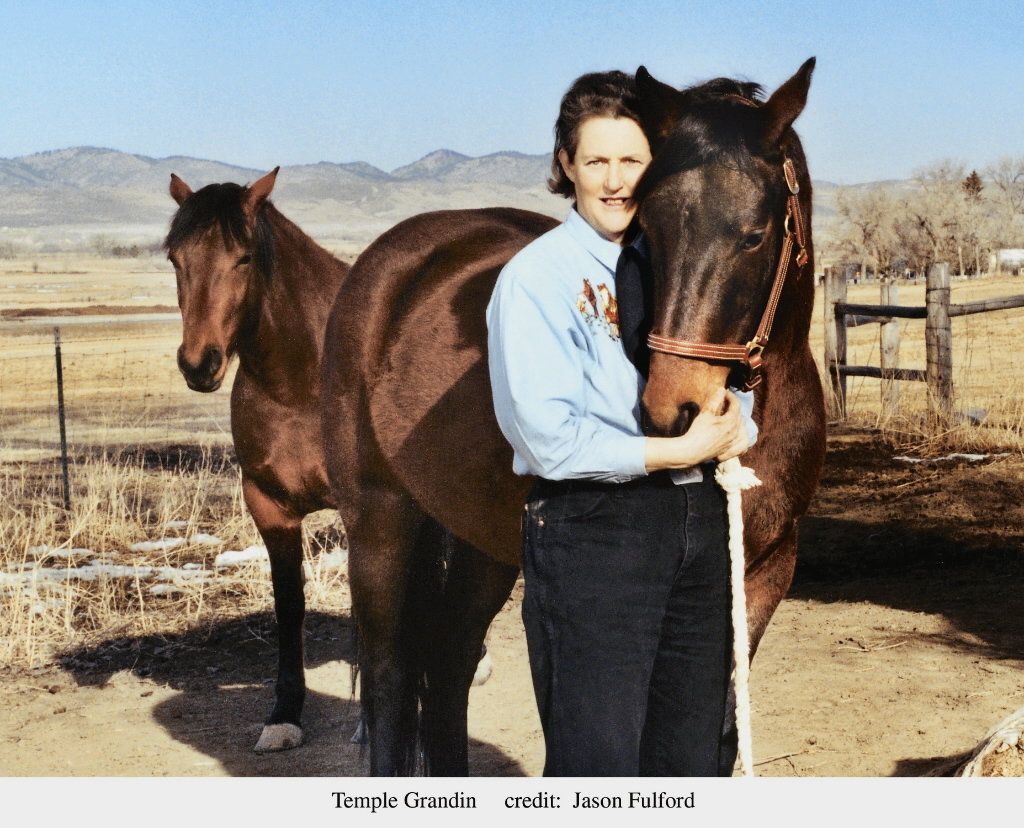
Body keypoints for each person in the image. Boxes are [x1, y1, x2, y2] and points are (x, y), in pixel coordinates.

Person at [486, 70, 757, 777]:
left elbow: (728, 373)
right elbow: (545, 438)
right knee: (599, 766)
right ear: (565, 167)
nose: (615, 180)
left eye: (631, 160)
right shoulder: (536, 277)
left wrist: (734, 424)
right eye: (596, 160)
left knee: (693, 759)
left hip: (698, 524)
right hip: (595, 528)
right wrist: (678, 451)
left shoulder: (682, 260)